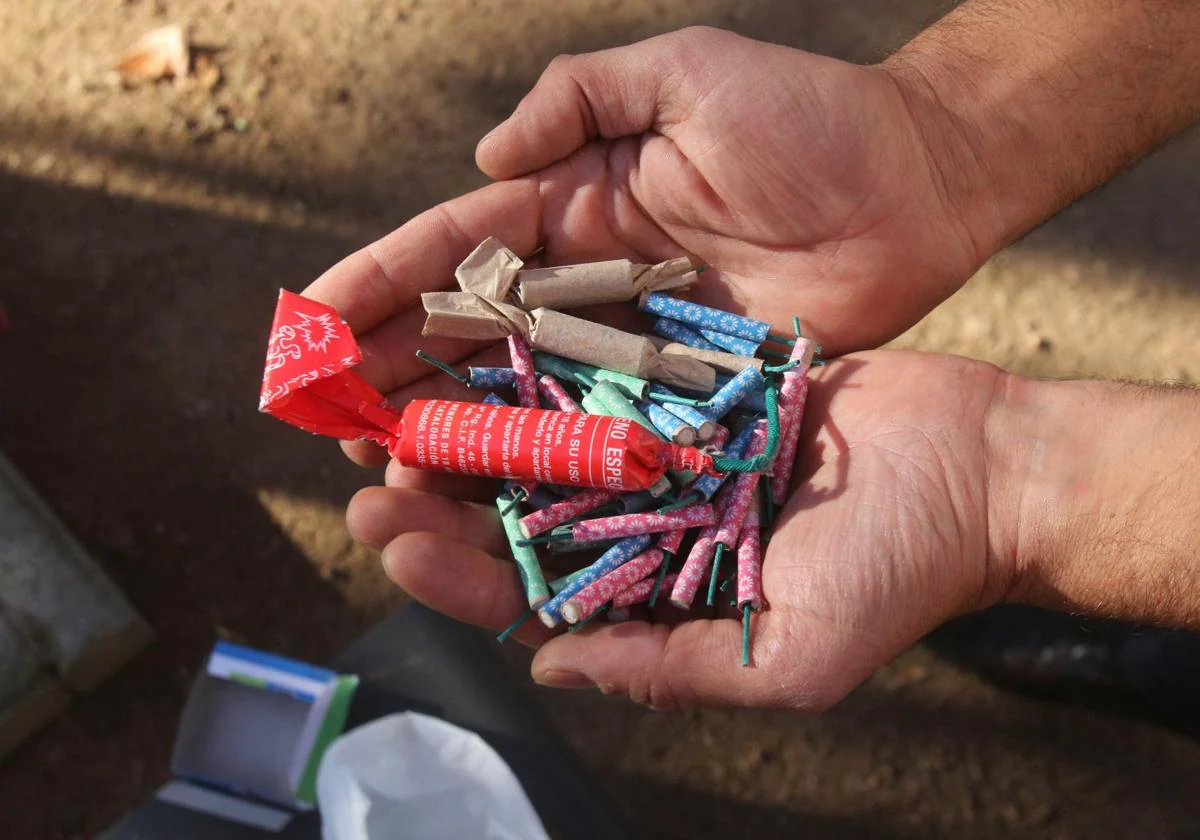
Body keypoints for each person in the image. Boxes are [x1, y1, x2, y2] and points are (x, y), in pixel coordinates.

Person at [304, 1, 1200, 710]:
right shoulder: (605, 402)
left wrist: (1004, 499)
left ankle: (1156, 658)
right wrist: (932, 134)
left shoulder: (651, 417)